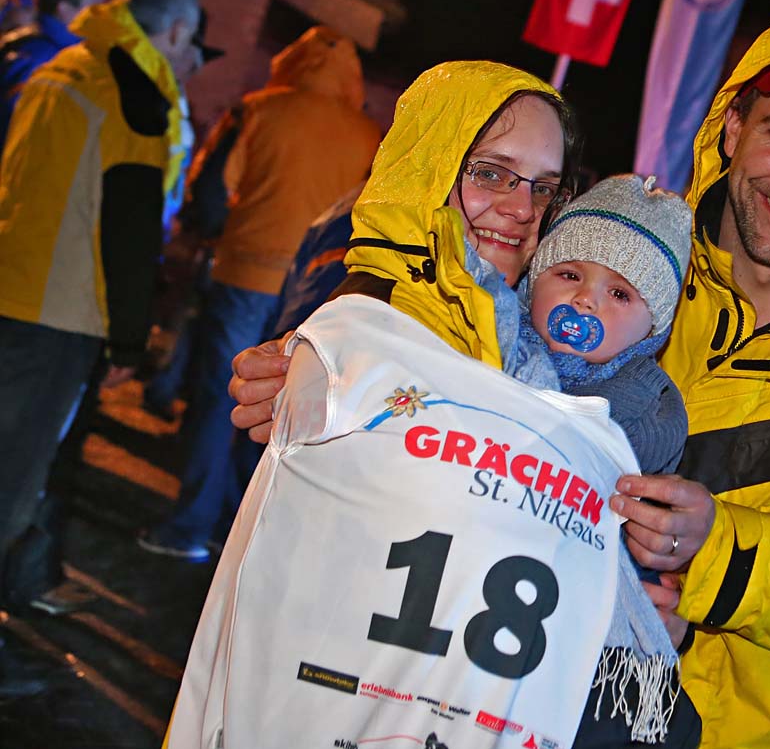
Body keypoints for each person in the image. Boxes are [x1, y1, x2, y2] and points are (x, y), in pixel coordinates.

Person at [230, 15, 770, 748]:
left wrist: (723, 559)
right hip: (522, 706)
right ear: (731, 129)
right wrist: (334, 368)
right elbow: (460, 310)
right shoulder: (620, 262)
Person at [167, 62, 695, 748]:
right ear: (431, 162)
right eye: (492, 173)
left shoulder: (516, 327)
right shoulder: (375, 306)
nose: (521, 207)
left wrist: (639, 590)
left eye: (542, 187)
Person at [0, 0, 207, 615]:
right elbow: (131, 222)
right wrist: (128, 335)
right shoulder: (135, 93)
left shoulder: (65, 65)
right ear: (176, 30)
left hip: (12, 282)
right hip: (60, 307)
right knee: (15, 476)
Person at [138, 26, 381, 562]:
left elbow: (209, 193)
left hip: (246, 274)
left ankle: (189, 528)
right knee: (284, 412)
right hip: (318, 294)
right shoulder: (370, 135)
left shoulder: (258, 109)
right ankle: (244, 531)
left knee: (223, 400)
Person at [0, 0, 105, 146]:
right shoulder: (43, 57)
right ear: (64, 9)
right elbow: (21, 130)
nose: (103, 12)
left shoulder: (39, 44)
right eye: (94, 5)